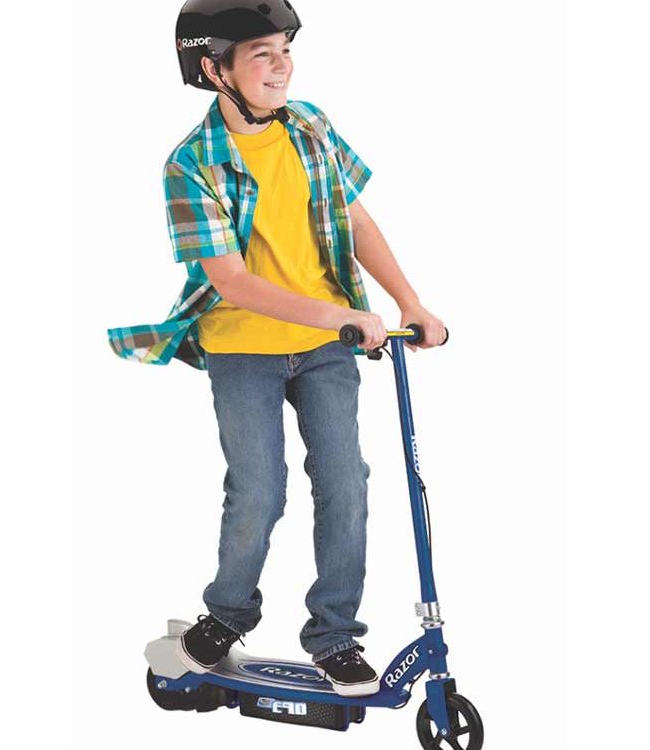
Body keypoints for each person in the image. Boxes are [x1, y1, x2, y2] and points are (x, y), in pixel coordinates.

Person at [106, 0, 447, 698]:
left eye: (285, 49)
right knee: (259, 491)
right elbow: (231, 280)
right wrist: (343, 314)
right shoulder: (191, 164)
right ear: (214, 70)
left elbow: (355, 217)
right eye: (261, 53)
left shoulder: (310, 126)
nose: (282, 65)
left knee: (346, 485)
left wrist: (408, 303)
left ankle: (335, 636)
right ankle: (227, 615)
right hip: (243, 349)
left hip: (326, 348)